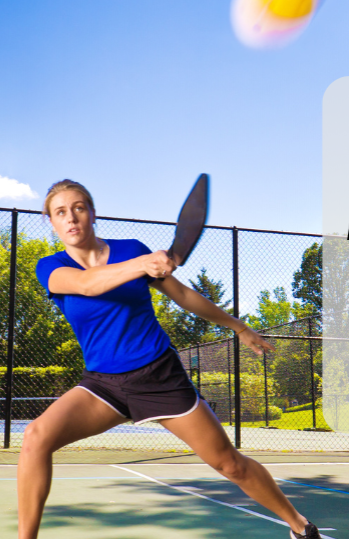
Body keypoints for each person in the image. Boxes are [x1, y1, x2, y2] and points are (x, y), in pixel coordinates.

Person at [18, 179, 319, 539]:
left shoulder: (130, 249)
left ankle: (300, 527)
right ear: (51, 222)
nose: (71, 218)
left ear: (93, 213)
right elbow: (87, 285)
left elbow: (183, 295)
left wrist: (238, 326)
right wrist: (144, 264)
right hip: (103, 385)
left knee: (229, 464)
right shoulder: (50, 267)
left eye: (79, 207)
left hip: (159, 376)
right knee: (36, 436)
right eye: (61, 212)